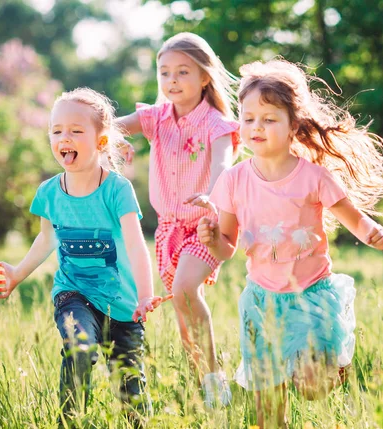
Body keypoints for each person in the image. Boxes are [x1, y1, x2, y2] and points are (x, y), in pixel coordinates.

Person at [195, 59, 383, 428]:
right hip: (261, 301)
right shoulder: (232, 181)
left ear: (294, 126)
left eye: (269, 119)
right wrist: (213, 241)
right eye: (249, 118)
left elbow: (353, 218)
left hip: (311, 294)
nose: (257, 127)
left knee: (312, 388)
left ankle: (332, 367)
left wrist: (371, 232)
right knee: (268, 414)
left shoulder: (314, 177)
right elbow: (227, 247)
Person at [0, 88, 168, 426]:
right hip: (74, 293)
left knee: (131, 391)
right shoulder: (49, 193)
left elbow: (135, 245)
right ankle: (70, 421)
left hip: (123, 304)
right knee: (79, 346)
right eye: (56, 130)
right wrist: (18, 273)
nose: (64, 137)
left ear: (101, 142)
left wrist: (146, 294)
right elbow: (46, 240)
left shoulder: (116, 190)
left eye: (75, 130)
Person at [116, 32, 239, 407]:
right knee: (184, 312)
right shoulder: (156, 118)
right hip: (168, 229)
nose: (172, 80)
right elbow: (108, 125)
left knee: (186, 290)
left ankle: (215, 380)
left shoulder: (216, 123)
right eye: (165, 72)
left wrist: (212, 194)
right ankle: (202, 386)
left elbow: (222, 162)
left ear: (204, 77)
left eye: (182, 72)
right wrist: (114, 138)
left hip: (205, 225)